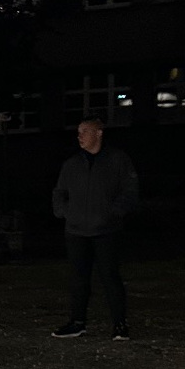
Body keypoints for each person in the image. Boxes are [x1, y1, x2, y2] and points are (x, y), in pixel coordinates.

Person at [50, 117, 138, 340]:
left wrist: (114, 212)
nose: (80, 136)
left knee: (110, 277)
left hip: (106, 230)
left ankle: (119, 325)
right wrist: (64, 211)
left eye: (85, 131)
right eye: (78, 132)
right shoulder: (71, 164)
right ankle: (77, 323)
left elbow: (130, 189)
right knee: (79, 278)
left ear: (99, 133)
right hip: (76, 231)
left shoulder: (117, 160)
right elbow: (59, 192)